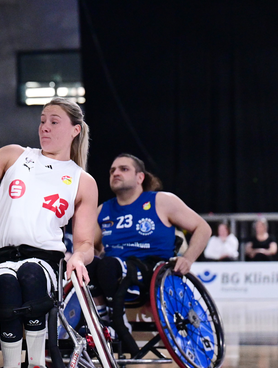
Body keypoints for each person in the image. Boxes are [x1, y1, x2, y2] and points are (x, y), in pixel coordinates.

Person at [0, 98, 98, 368]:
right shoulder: (14, 155)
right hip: (1, 256)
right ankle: (11, 364)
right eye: (42, 121)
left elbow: (86, 243)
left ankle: (36, 362)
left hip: (45, 259)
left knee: (32, 275)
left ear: (75, 130)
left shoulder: (83, 181)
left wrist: (79, 257)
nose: (45, 127)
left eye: (54, 122)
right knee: (6, 285)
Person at [89, 153, 211, 357]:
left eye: (123, 169)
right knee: (88, 264)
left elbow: (203, 228)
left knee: (108, 265)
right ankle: (102, 321)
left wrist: (188, 258)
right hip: (114, 272)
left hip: (150, 271)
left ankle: (116, 322)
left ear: (140, 177)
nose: (116, 173)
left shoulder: (161, 201)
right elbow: (89, 247)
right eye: (112, 170)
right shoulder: (103, 210)